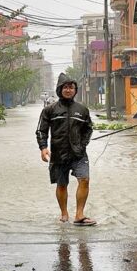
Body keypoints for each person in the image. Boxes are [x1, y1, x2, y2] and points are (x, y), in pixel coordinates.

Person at [36, 73, 96, 226]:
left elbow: (88, 129)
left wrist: (82, 145)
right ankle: (64, 213)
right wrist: (43, 148)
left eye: (71, 87)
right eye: (66, 87)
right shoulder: (50, 110)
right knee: (62, 185)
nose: (69, 90)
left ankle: (79, 214)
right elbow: (41, 130)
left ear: (75, 90)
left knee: (85, 180)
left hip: (79, 153)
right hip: (58, 153)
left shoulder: (82, 110)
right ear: (60, 89)